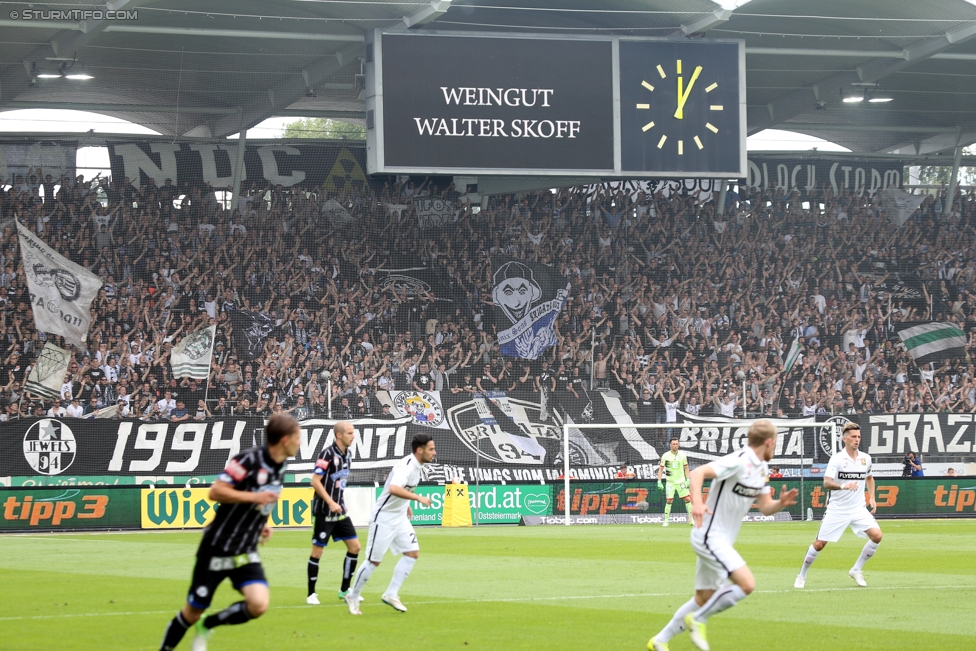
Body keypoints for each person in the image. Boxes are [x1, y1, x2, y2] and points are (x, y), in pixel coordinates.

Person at [649, 420, 798, 651]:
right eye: (775, 443)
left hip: (720, 539)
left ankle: (659, 640)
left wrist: (780, 503)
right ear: (769, 442)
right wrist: (697, 503)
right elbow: (699, 472)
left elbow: (765, 506)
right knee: (747, 584)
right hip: (709, 536)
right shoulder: (740, 460)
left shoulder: (761, 468)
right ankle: (699, 619)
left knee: (703, 597)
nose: (775, 447)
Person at [158, 413, 301, 651]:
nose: (300, 442)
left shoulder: (280, 465)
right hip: (217, 546)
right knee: (192, 612)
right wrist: (255, 497)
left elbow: (259, 499)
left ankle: (209, 625)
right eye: (298, 437)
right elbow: (216, 491)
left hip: (244, 548)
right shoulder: (248, 460)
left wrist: (261, 522)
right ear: (285, 440)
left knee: (258, 604)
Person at [344, 433, 436, 615]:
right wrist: (417, 498)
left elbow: (403, 488)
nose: (434, 452)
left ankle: (391, 593)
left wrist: (407, 505)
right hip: (384, 518)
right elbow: (394, 488)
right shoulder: (407, 466)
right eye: (431, 449)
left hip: (399, 517)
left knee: (412, 553)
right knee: (373, 561)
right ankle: (353, 596)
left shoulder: (417, 466)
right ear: (420, 450)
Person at [794, 422, 882, 590]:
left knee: (877, 536)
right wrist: (842, 486)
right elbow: (826, 483)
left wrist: (872, 497)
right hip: (837, 509)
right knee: (819, 544)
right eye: (853, 437)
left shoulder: (865, 458)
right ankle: (802, 575)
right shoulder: (837, 459)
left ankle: (856, 570)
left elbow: (869, 478)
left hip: (858, 509)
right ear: (845, 439)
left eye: (859, 437)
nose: (857, 440)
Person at [306, 421, 361, 605]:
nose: (353, 436)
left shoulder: (349, 455)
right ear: (339, 435)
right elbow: (315, 481)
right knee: (317, 551)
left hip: (340, 510)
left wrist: (338, 503)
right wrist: (329, 502)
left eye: (353, 433)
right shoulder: (327, 454)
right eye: (350, 433)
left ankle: (345, 590)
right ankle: (311, 594)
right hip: (324, 510)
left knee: (355, 547)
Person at [657, 437, 692, 527]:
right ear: (670, 445)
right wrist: (659, 481)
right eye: (673, 444)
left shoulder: (683, 455)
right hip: (670, 482)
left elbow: (686, 468)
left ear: (678, 445)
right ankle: (666, 521)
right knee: (669, 501)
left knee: (688, 499)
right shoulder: (665, 456)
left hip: (681, 482)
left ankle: (692, 520)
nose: (675, 445)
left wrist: (688, 479)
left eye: (677, 444)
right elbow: (660, 469)